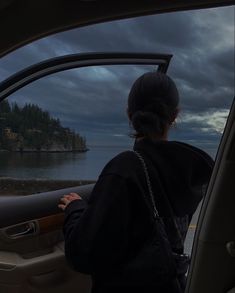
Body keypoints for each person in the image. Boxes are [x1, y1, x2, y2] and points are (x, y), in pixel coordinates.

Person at [58, 72, 214, 293]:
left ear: (129, 114)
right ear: (175, 116)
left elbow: (84, 254)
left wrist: (75, 210)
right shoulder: (192, 173)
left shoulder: (124, 170)